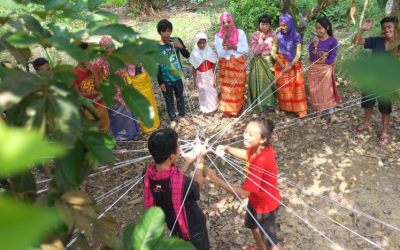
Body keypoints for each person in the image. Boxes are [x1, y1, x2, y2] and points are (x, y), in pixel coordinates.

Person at [207, 118, 282, 250]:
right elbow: (246, 154)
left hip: (265, 207)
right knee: (253, 227)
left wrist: (216, 180)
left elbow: (242, 194)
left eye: (251, 134)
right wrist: (228, 148)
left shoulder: (261, 161)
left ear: (263, 139)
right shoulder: (258, 148)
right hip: (255, 201)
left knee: (271, 243)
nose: (245, 137)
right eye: (245, 132)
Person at [144, 128, 209, 250]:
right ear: (172, 157)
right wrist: (200, 159)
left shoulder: (148, 175)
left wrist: (187, 162)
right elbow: (198, 184)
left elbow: (168, 180)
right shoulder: (183, 183)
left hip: (174, 226)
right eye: (178, 146)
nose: (180, 147)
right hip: (194, 230)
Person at [353, 17, 399, 145]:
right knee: (368, 102)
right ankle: (367, 124)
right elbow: (356, 41)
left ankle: (384, 132)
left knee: (385, 107)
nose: (386, 30)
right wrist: (362, 29)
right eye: (384, 28)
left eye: (389, 27)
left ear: (395, 27)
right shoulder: (377, 41)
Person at [92, 36, 140, 141]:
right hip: (110, 90)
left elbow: (125, 70)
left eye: (110, 47)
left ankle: (132, 133)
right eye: (106, 47)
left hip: (122, 87)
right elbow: (94, 74)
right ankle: (122, 136)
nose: (109, 49)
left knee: (127, 111)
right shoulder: (99, 61)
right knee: (116, 114)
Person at [271, 13, 308, 118]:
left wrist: (290, 65)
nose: (283, 28)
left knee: (296, 88)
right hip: (280, 64)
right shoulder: (277, 37)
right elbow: (273, 53)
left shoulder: (296, 36)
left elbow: (298, 53)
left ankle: (299, 110)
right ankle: (286, 108)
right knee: (284, 88)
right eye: (281, 25)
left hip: (294, 65)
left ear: (290, 24)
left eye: (285, 25)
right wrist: (282, 65)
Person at [156, 19, 190, 129]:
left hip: (177, 76)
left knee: (180, 96)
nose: (167, 34)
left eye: (169, 31)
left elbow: (187, 55)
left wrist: (180, 46)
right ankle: (173, 118)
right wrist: (160, 82)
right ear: (159, 32)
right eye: (164, 31)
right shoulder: (157, 47)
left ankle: (182, 115)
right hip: (165, 79)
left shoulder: (176, 40)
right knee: (169, 100)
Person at [215, 12, 249, 117]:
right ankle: (227, 110)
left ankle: (238, 108)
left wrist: (232, 47)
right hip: (226, 65)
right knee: (227, 88)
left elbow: (246, 50)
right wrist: (224, 39)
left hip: (238, 64)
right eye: (224, 23)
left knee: (238, 88)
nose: (226, 25)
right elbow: (220, 53)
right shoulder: (218, 36)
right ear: (221, 24)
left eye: (228, 22)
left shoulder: (240, 33)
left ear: (232, 21)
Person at [307, 17, 341, 121]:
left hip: (325, 70)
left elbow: (331, 60)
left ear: (327, 28)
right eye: (316, 28)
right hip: (314, 70)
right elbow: (312, 58)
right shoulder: (314, 41)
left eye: (320, 28)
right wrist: (315, 46)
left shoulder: (333, 41)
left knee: (326, 91)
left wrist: (322, 60)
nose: (318, 31)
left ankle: (331, 113)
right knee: (315, 92)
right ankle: (318, 113)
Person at [73, 42, 110, 133]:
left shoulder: (94, 68)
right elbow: (78, 93)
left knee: (105, 127)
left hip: (100, 104)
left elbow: (99, 87)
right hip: (88, 108)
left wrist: (94, 72)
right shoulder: (74, 73)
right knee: (94, 131)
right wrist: (96, 92)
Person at [119, 64, 161, 134]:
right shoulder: (125, 55)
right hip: (135, 79)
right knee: (141, 104)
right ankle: (147, 127)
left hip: (143, 77)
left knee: (150, 102)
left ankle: (155, 123)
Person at [249, 14, 276, 115]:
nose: (264, 26)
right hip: (258, 63)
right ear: (259, 24)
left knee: (270, 83)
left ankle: (271, 104)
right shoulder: (255, 35)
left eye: (266, 24)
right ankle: (262, 105)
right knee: (260, 84)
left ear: (270, 25)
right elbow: (255, 52)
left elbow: (275, 49)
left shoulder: (273, 35)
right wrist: (262, 40)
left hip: (269, 61)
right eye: (262, 24)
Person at [189, 32, 219, 115]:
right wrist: (194, 80)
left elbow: (214, 64)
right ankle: (205, 108)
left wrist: (214, 76)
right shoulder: (194, 53)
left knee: (212, 90)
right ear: (196, 42)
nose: (202, 45)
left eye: (203, 43)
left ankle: (214, 107)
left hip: (209, 74)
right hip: (200, 75)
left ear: (206, 42)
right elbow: (194, 68)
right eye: (200, 43)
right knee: (203, 91)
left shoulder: (209, 51)